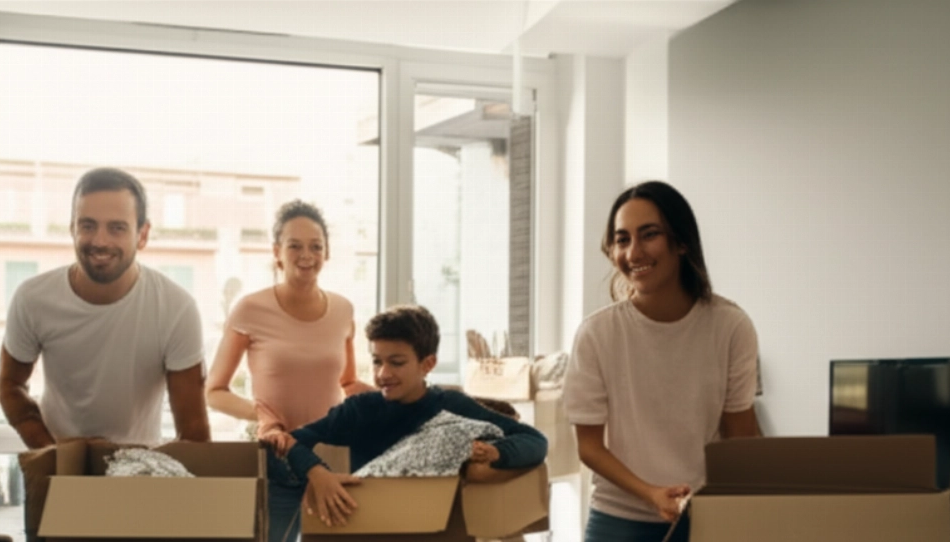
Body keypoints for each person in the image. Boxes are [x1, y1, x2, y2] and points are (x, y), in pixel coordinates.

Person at [563, 180, 761, 542]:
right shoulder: (596, 334)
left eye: (649, 234)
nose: (633, 252)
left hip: (703, 515)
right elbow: (589, 446)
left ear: (682, 242)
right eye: (622, 239)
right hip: (617, 517)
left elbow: (740, 434)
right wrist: (651, 493)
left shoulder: (732, 326)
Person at [0, 167, 211, 449]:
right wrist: (51, 452)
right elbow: (10, 385)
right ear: (72, 228)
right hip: (55, 467)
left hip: (139, 474)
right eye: (87, 225)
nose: (100, 241)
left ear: (142, 234)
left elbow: (194, 434)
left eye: (117, 228)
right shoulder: (32, 298)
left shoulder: (176, 308)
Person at [279, 305, 548, 529]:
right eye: (376, 361)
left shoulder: (452, 405)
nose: (383, 374)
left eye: (396, 363)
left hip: (437, 530)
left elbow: (535, 441)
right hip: (370, 528)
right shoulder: (359, 410)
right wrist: (318, 473)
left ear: (427, 364)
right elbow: (292, 441)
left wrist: (496, 453)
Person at [204, 199, 372, 542]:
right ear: (277, 252)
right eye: (294, 245)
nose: (306, 255)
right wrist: (262, 414)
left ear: (326, 254)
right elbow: (214, 392)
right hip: (277, 458)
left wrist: (402, 397)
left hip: (332, 457)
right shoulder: (250, 309)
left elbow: (348, 382)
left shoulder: (343, 310)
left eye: (316, 246)